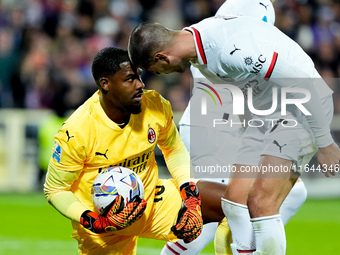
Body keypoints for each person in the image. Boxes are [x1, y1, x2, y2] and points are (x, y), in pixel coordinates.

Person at [128, 11, 339, 255]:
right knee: (233, 202)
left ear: (161, 57)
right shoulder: (199, 54)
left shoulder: (230, 49)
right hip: (267, 115)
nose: (161, 75)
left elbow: (302, 82)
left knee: (261, 202)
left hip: (299, 107)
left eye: (155, 69)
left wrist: (325, 142)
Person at [44, 47, 228, 255]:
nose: (140, 84)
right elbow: (55, 190)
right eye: (130, 79)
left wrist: (189, 193)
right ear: (105, 84)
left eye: (139, 77)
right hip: (105, 225)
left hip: (154, 202)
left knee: (234, 205)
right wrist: (93, 221)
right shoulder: (77, 131)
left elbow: (174, 148)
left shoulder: (155, 105)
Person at [161, 1, 306, 254]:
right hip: (213, 131)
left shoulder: (215, 33)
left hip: (213, 127)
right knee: (235, 207)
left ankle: (245, 245)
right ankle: (246, 247)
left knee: (248, 205)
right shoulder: (235, 46)